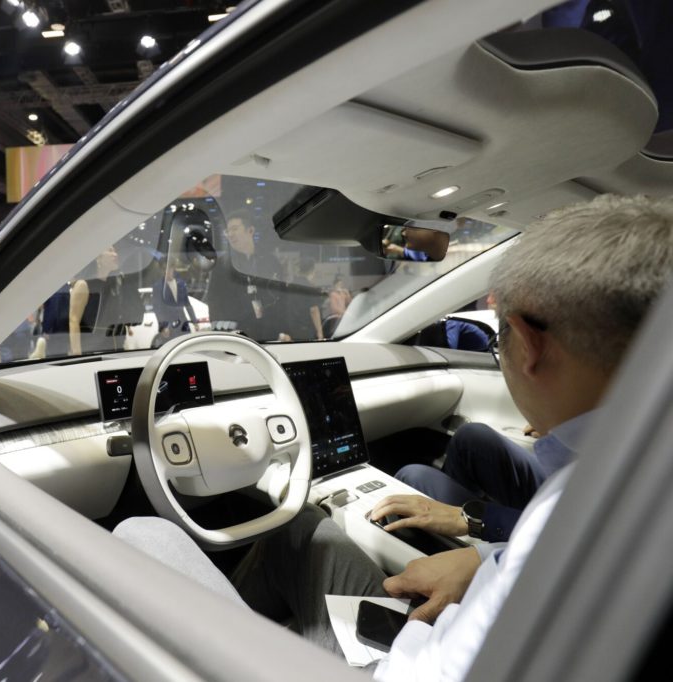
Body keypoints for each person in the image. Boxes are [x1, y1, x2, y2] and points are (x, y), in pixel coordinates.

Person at [118, 194, 673, 679]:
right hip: (442, 639)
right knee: (303, 528)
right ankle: (262, 628)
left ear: (527, 345)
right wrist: (487, 562)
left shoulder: (580, 510)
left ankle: (245, 648)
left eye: (499, 338)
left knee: (142, 533)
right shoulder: (629, 484)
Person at [380, 422, 562, 542]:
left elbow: (562, 535)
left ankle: (464, 543)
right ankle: (460, 537)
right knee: (472, 435)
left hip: (551, 532)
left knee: (412, 476)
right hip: (564, 494)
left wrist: (480, 519)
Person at [205, 211, 284, 339]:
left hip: (270, 331)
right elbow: (213, 298)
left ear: (250, 230)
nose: (230, 234)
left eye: (234, 229)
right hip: (237, 334)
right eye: (227, 231)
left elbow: (282, 296)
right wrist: (220, 329)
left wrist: (285, 329)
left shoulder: (270, 261)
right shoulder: (221, 265)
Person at [68, 246, 142, 355]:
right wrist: (77, 354)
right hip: (92, 351)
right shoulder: (83, 285)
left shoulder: (114, 286)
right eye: (110, 250)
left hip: (115, 350)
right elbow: (74, 321)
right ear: (98, 258)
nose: (115, 254)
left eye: (115, 251)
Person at [150, 259, 197, 348]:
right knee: (170, 349)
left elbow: (187, 303)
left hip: (183, 324)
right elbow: (157, 308)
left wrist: (194, 321)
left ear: (173, 268)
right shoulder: (158, 286)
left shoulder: (181, 283)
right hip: (169, 327)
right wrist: (163, 326)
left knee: (187, 348)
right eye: (164, 269)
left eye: (168, 269)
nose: (166, 271)